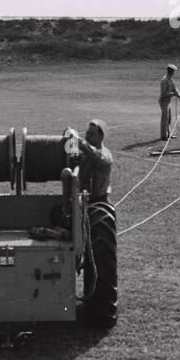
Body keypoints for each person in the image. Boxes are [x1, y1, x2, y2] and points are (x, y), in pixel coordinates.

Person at [64, 120, 117, 327]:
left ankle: (98, 301)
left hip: (98, 207)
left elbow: (95, 156)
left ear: (101, 137)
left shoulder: (105, 156)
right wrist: (68, 143)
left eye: (93, 134)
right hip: (80, 204)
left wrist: (77, 139)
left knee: (97, 256)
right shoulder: (85, 153)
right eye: (87, 132)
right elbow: (71, 156)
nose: (89, 136)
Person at [158, 64, 180, 141]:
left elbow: (175, 88)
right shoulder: (164, 80)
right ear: (171, 72)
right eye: (173, 72)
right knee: (165, 118)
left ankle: (169, 134)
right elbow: (164, 93)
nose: (174, 73)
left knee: (169, 118)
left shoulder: (170, 80)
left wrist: (178, 95)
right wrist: (173, 94)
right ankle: (163, 136)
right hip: (164, 101)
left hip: (168, 101)